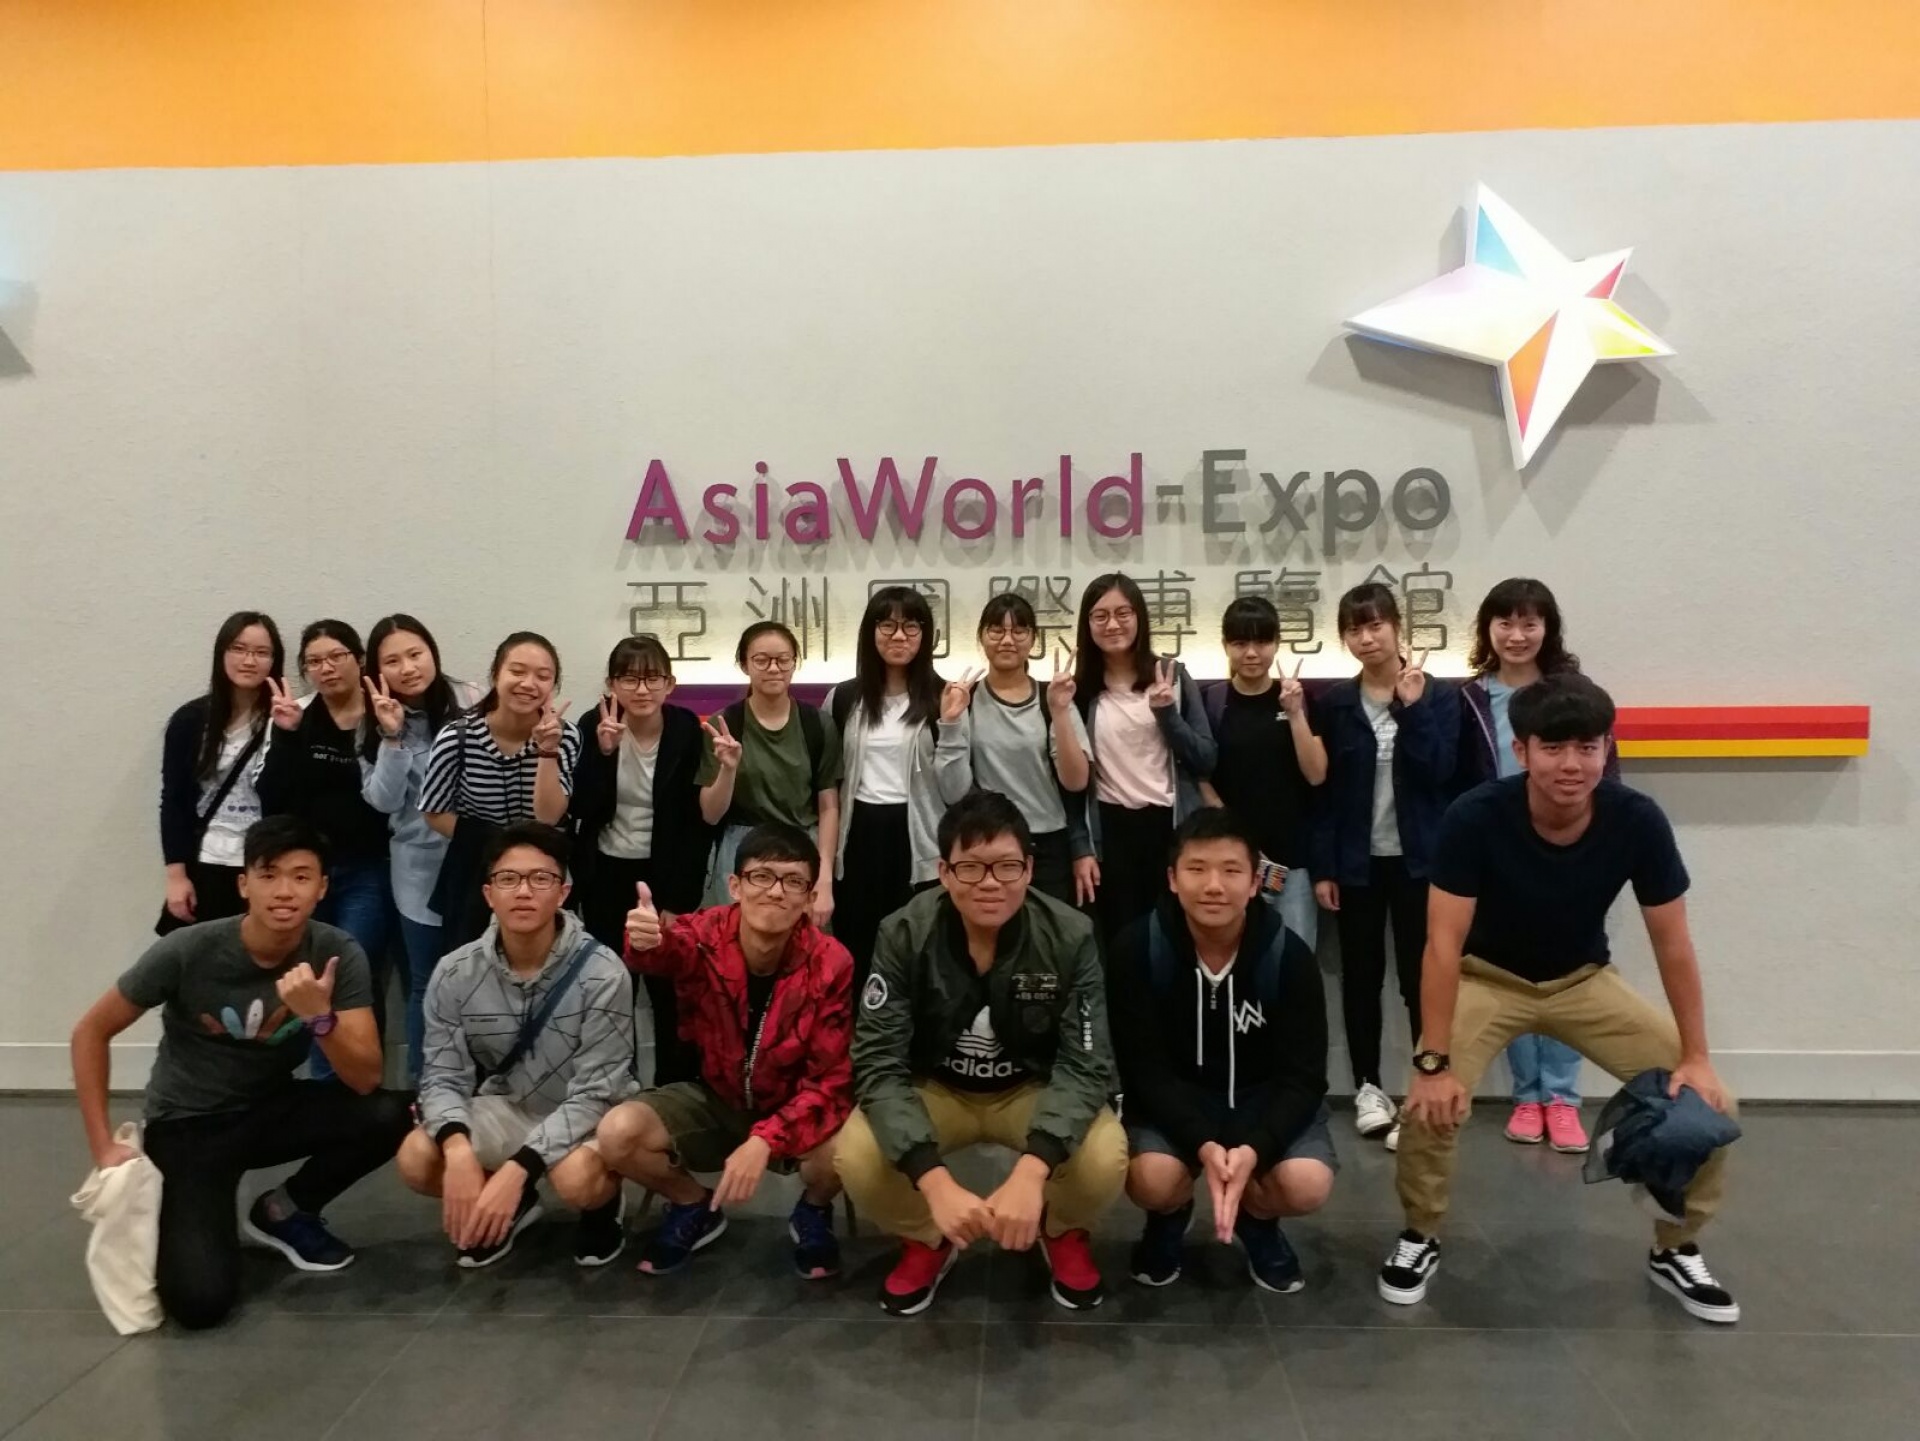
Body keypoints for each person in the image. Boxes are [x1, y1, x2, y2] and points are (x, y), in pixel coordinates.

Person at [1379, 674, 1741, 1324]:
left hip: (1582, 981)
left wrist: (1696, 1056)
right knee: (1429, 1103)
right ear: (1521, 750)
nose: (1571, 764)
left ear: (1607, 749)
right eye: (1553, 747)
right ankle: (1420, 1232)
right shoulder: (1475, 816)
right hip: (1487, 978)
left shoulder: (1636, 820)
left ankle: (1676, 1245)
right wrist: (1433, 1061)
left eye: (1587, 747)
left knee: (1709, 1104)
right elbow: (1441, 944)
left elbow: (1674, 944)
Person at [70, 816, 411, 1330]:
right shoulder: (189, 949)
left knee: (394, 1112)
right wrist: (103, 1147)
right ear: (243, 884)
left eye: (301, 877)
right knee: (199, 1303)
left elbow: (364, 1078)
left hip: (270, 1109)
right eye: (269, 875)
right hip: (189, 1126)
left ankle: (283, 1210)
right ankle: (193, 1214)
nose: (284, 891)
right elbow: (90, 1033)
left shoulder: (335, 952)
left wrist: (319, 1018)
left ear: (322, 888)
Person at [835, 790, 1127, 1316]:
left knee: (1106, 1155)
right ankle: (928, 1237)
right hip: (937, 1087)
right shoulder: (903, 932)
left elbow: (1086, 1065)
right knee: (856, 1154)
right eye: (970, 867)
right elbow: (878, 1061)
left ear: (1029, 870)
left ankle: (1059, 1229)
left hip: (1029, 1088)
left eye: (1007, 866)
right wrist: (934, 1181)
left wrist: (1032, 1172)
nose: (990, 883)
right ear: (944, 873)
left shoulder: (1070, 935)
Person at [598, 822, 854, 1279]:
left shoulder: (832, 962)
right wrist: (646, 940)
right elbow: (668, 949)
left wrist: (764, 1139)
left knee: (850, 1146)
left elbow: (830, 1081)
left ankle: (814, 1210)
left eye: (793, 881)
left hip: (794, 1103)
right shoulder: (706, 933)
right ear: (735, 885)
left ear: (810, 897)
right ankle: (692, 1204)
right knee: (618, 1133)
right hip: (715, 1097)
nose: (775, 892)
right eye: (761, 876)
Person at [1109, 809, 1335, 1293]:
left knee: (1307, 1184)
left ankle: (1258, 1217)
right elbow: (1143, 1070)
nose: (1214, 886)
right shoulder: (1137, 949)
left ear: (1254, 883)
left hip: (1262, 1100)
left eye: (1231, 871)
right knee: (1151, 1179)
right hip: (1177, 1101)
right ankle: (1169, 1215)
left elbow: (1304, 1078)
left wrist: (1256, 1147)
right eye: (1197, 869)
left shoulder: (1289, 957)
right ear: (1173, 879)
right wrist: (1204, 1143)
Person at [399, 823, 635, 1268]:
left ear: (563, 892)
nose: (523, 891)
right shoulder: (455, 972)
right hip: (510, 1105)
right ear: (489, 894)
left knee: (577, 1180)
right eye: (508, 879)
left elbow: (597, 1092)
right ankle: (517, 1203)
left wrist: (519, 1166)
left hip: (587, 1115)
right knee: (418, 1156)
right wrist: (457, 1147)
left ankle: (603, 1205)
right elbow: (442, 1077)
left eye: (540, 879)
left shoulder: (603, 972)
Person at [1460, 578, 1618, 1154]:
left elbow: (1606, 772)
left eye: (1530, 622)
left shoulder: (1575, 695)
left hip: (1570, 849)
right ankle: (1528, 1096)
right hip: (1501, 854)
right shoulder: (1470, 698)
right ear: (1488, 630)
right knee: (1511, 974)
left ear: (1547, 629)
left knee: (1570, 972)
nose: (1517, 634)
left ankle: (1563, 1099)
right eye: (1505, 622)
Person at [1311, 582, 1458, 1151]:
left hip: (1421, 863)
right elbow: (1323, 794)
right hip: (1358, 864)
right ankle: (1369, 1089)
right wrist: (1324, 867)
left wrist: (1414, 708)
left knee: (1423, 981)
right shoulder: (1336, 704)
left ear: (1398, 628)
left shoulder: (1436, 695)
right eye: (1354, 629)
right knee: (1361, 977)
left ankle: (1427, 1086)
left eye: (1375, 625)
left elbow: (1441, 771)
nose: (1366, 638)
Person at [569, 635, 728, 1084]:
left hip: (665, 874)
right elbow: (581, 808)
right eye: (629, 679)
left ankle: (670, 1094)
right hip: (606, 874)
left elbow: (697, 824)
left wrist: (678, 900)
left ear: (669, 684)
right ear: (611, 684)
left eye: (652, 678)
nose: (641, 689)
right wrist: (603, 753)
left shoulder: (685, 729)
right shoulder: (593, 724)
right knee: (610, 989)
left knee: (670, 992)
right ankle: (611, 1090)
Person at [258, 620, 394, 1081]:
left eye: (336, 656)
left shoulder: (383, 713)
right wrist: (286, 735)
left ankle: (361, 1085)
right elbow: (272, 798)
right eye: (314, 662)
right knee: (315, 977)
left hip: (368, 869)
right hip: (310, 874)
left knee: (356, 973)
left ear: (360, 659)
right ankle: (325, 1089)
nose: (327, 668)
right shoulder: (298, 716)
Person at [826, 586, 972, 981]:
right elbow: (828, 785)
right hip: (857, 840)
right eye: (887, 625)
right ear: (870, 632)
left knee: (918, 956)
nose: (899, 636)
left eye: (911, 626)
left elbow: (956, 792)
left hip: (918, 840)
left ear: (925, 635)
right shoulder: (843, 698)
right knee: (858, 951)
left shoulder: (945, 696)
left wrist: (951, 724)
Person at [360, 614, 481, 1081]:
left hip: (477, 862)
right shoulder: (371, 718)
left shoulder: (471, 699)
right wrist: (391, 736)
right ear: (378, 670)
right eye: (393, 661)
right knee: (426, 982)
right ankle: (423, 1089)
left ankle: (478, 1087)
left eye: (415, 654)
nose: (408, 668)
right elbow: (383, 801)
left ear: (433, 652)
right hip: (418, 870)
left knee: (483, 979)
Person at [1071, 573, 1216, 945]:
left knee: (1176, 940)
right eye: (1100, 616)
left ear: (1140, 617)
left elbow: (1205, 759)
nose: (1113, 624)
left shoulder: (1172, 676)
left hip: (1170, 827)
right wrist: (1081, 846)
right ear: (1087, 625)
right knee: (1122, 943)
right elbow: (1070, 784)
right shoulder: (1079, 691)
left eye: (1123, 613)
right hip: (1111, 831)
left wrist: (1167, 714)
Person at [422, 631, 581, 950]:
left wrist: (547, 751)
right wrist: (495, 843)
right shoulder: (457, 737)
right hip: (476, 871)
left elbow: (549, 816)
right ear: (496, 674)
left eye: (543, 676)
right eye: (517, 671)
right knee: (473, 964)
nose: (528, 684)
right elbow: (434, 812)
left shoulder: (565, 736)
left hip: (544, 871)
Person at [939, 591, 1091, 906]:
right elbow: (953, 792)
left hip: (1048, 844)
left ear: (1033, 639)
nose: (1007, 640)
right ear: (981, 637)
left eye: (1019, 630)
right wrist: (951, 722)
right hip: (987, 843)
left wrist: (1060, 712)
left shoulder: (1054, 698)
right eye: (997, 630)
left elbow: (1076, 781)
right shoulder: (966, 700)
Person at [1198, 596, 1327, 948]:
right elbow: (1200, 777)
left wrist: (1295, 713)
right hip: (1231, 860)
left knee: (1293, 958)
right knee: (1232, 957)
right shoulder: (1212, 702)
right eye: (1240, 643)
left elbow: (1316, 774)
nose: (1252, 653)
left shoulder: (1301, 699)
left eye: (1262, 641)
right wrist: (1239, 837)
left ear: (1277, 643)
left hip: (1292, 863)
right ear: (1225, 645)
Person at [701, 621, 840, 927]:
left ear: (794, 663)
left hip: (802, 851)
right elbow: (710, 814)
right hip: (742, 854)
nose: (773, 669)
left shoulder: (817, 724)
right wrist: (728, 768)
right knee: (738, 944)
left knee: (805, 947)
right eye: (761, 660)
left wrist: (825, 875)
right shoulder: (724, 724)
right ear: (745, 665)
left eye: (783, 660)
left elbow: (828, 805)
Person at [158, 611, 284, 932]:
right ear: (221, 653)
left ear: (274, 661)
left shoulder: (286, 719)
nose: (249, 661)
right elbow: (174, 801)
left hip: (265, 866)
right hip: (207, 861)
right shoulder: (190, 720)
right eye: (239, 649)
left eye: (261, 652)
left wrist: (290, 734)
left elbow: (294, 797)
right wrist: (176, 876)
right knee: (204, 956)